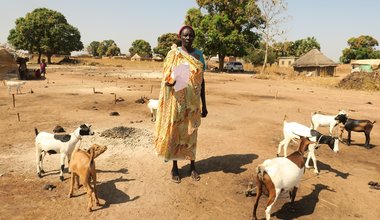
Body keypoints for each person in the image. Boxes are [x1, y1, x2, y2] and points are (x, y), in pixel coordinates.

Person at [154, 25, 208, 183]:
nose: (188, 38)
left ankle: (192, 166)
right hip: (177, 101)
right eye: (185, 35)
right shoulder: (174, 54)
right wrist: (171, 81)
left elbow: (202, 81)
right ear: (180, 37)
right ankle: (175, 168)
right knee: (176, 133)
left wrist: (204, 104)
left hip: (193, 103)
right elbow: (167, 78)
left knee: (192, 134)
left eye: (191, 35)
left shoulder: (198, 55)